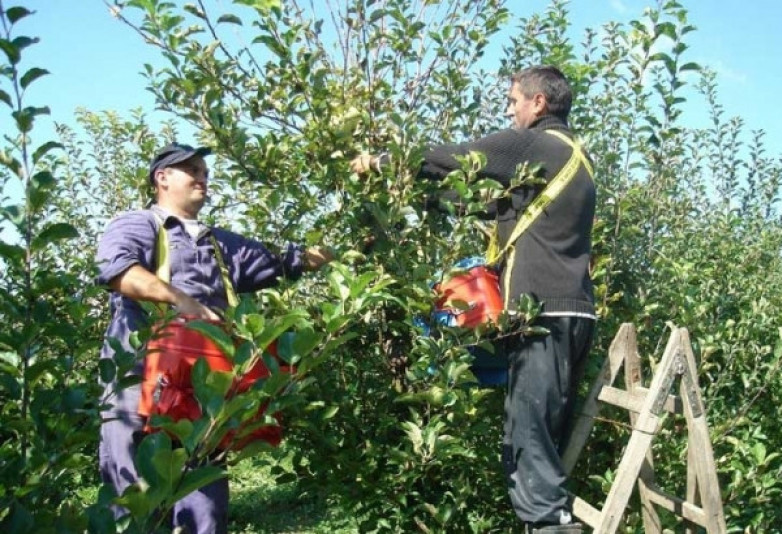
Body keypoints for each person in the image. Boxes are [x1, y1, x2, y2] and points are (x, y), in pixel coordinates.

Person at [350, 66, 595, 533]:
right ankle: (548, 518)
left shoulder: (535, 144)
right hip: (574, 312)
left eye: (513, 100)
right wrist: (425, 199)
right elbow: (485, 204)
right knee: (543, 431)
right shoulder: (573, 160)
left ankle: (551, 527)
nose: (510, 109)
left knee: (527, 435)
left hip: (541, 313)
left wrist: (380, 163)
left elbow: (460, 159)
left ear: (537, 103)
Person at [95, 142, 334, 533]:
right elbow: (120, 273)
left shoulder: (222, 243)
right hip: (138, 377)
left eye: (205, 171)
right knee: (134, 492)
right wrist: (180, 299)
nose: (202, 178)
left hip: (202, 389)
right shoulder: (138, 224)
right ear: (163, 178)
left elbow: (281, 261)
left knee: (203, 499)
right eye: (192, 170)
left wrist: (324, 254)